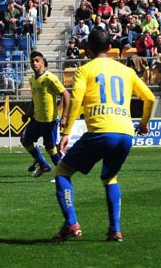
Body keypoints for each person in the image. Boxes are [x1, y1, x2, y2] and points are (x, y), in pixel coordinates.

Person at [52, 28, 155, 242]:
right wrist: (143, 124)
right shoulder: (126, 71)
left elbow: (77, 102)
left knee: (62, 172)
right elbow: (150, 99)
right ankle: (115, 230)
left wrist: (66, 132)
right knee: (110, 177)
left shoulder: (84, 70)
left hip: (100, 130)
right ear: (110, 48)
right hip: (125, 133)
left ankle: (71, 222)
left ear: (88, 49)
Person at [22, 51, 71, 177]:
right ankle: (43, 165)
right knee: (25, 140)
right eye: (32, 61)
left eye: (37, 60)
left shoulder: (50, 78)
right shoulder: (32, 79)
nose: (34, 63)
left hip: (50, 120)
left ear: (43, 62)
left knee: (50, 147)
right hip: (37, 119)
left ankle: (62, 174)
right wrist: (28, 114)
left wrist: (64, 117)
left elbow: (66, 94)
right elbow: (34, 98)